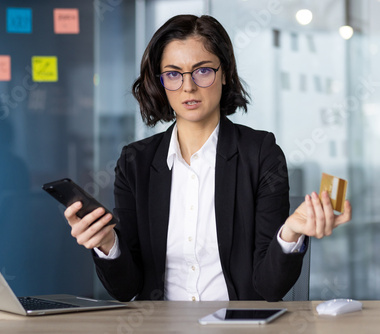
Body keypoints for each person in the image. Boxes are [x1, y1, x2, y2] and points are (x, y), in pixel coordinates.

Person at [64, 14, 352, 302]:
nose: (188, 87)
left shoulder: (261, 153)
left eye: (202, 71)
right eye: (174, 74)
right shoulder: (135, 163)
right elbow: (127, 289)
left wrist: (290, 232)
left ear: (224, 72)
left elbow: (269, 288)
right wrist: (107, 244)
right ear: (161, 82)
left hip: (237, 326)